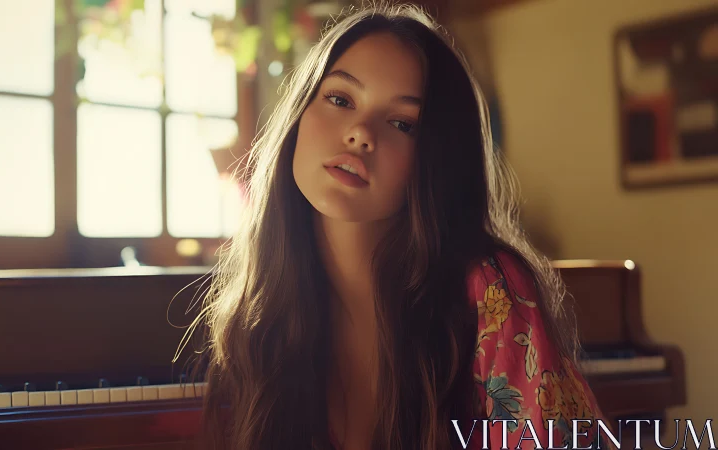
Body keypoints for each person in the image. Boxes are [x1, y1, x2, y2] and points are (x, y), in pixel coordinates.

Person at [181, 3, 614, 449]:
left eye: (402, 123)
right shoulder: (257, 313)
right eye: (340, 99)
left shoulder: (489, 292)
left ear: (437, 159)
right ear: (297, 116)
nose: (360, 132)